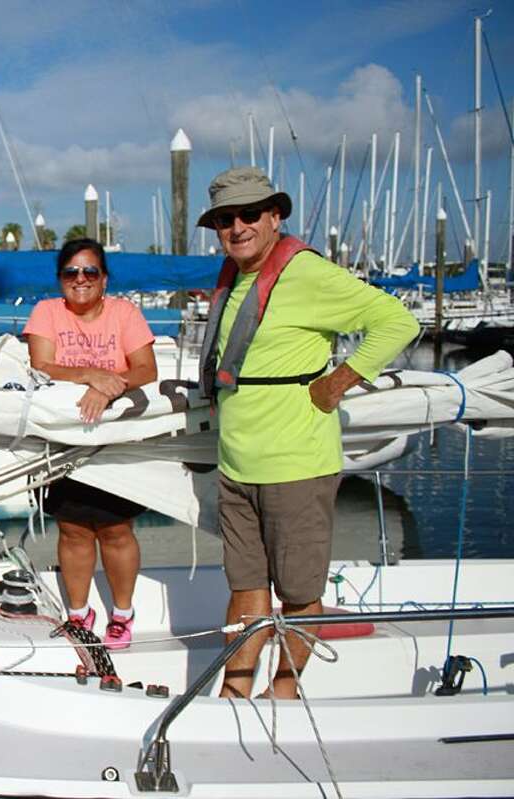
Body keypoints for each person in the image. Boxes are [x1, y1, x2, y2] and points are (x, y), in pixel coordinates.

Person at [196, 167, 419, 699]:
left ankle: (286, 689)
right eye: (226, 219)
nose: (238, 227)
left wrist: (339, 381)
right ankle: (235, 692)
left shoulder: (305, 274)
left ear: (275, 217)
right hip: (237, 464)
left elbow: (397, 321)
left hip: (296, 465)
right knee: (245, 587)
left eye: (251, 214)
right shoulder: (236, 279)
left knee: (298, 592)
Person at [23, 238, 158, 649]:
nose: (80, 279)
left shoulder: (124, 313)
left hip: (115, 436)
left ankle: (122, 613)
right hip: (66, 438)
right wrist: (88, 375)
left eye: (90, 272)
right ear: (60, 278)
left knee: (116, 528)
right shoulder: (46, 312)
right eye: (71, 272)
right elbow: (41, 366)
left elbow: (146, 369)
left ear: (104, 279)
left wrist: (110, 387)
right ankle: (79, 613)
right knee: (73, 528)